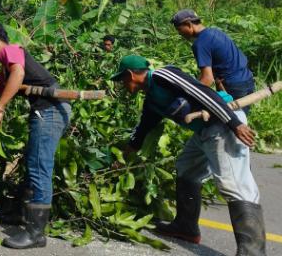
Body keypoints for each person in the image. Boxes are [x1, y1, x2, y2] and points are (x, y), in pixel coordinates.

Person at [111, 55, 266, 255]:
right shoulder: (152, 99)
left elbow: (204, 94)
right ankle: (186, 227)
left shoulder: (163, 76)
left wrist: (235, 125)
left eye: (122, 80)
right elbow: (142, 130)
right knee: (187, 168)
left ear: (131, 75)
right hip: (204, 131)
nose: (123, 85)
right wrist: (122, 158)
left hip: (223, 124)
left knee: (235, 184)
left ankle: (252, 251)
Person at [0, 22, 71, 250]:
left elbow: (18, 74)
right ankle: (23, 215)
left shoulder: (12, 51)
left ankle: (35, 234)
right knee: (33, 162)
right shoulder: (5, 65)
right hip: (48, 110)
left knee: (39, 166)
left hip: (51, 111)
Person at [171, 9, 255, 114]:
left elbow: (207, 79)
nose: (180, 33)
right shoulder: (215, 32)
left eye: (179, 29)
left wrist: (189, 97)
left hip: (234, 87)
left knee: (233, 123)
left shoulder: (200, 44)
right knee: (242, 117)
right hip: (248, 79)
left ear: (188, 24)